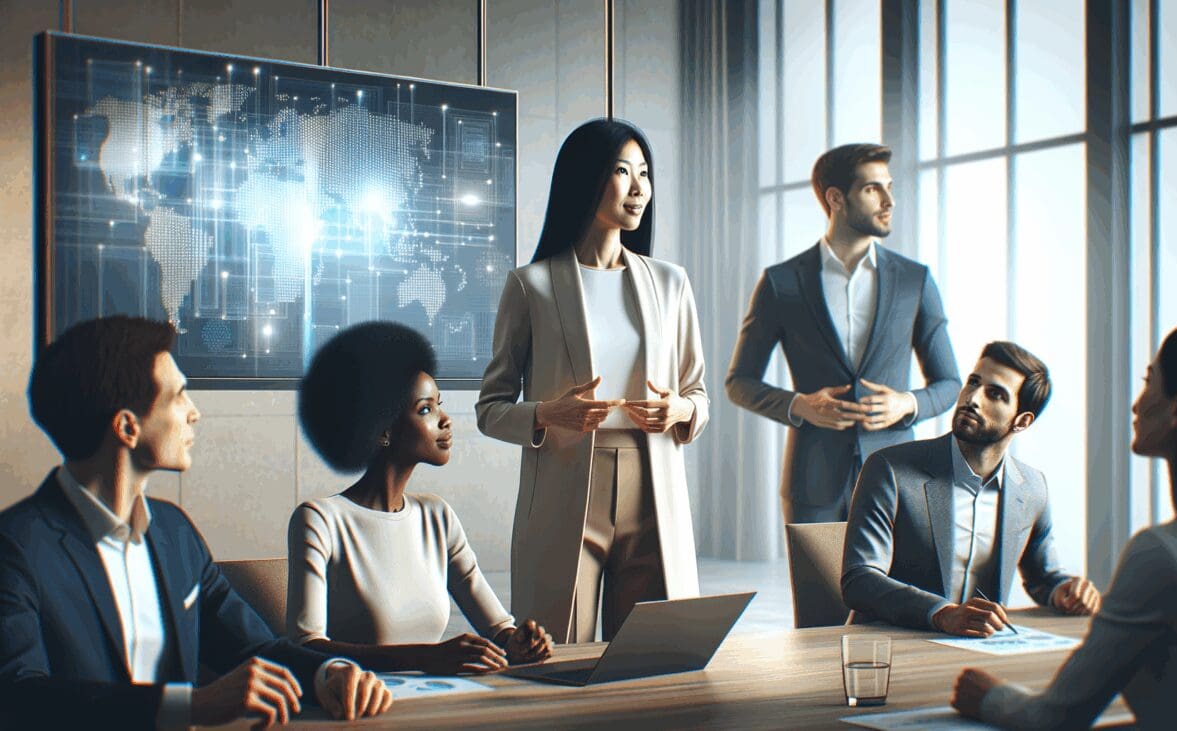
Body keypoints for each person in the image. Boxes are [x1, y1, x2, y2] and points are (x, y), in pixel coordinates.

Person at [0, 316, 391, 730]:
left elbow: (251, 649)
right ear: (127, 426)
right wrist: (188, 706)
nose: (195, 413)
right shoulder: (16, 546)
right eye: (180, 396)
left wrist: (327, 673)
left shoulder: (174, 532)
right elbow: (19, 694)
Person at [952, 321, 1177, 730]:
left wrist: (987, 697)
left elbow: (1055, 719)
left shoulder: (1162, 555)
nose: (1136, 404)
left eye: (1149, 382)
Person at [476, 118, 709, 644]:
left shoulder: (670, 283)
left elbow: (698, 393)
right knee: (558, 652)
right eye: (622, 171)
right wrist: (544, 413)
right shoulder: (531, 285)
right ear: (586, 179)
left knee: (650, 658)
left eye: (644, 173)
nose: (638, 188)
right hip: (564, 492)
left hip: (653, 490)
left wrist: (683, 411)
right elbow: (490, 408)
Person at [287, 321, 552, 673]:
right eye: (426, 409)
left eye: (438, 405)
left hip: (436, 701)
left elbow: (497, 627)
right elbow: (306, 647)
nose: (446, 421)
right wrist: (425, 657)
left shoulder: (437, 516)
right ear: (382, 429)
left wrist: (519, 642)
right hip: (358, 708)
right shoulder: (320, 521)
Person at [725, 143, 960, 524]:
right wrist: (799, 405)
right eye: (872, 189)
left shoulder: (914, 281)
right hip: (812, 485)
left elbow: (950, 382)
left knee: (894, 587)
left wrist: (907, 404)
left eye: (889, 187)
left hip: (897, 481)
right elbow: (739, 382)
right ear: (835, 198)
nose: (889, 200)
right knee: (818, 587)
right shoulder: (781, 282)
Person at [841, 342, 1099, 634]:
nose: (973, 399)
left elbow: (1042, 577)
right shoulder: (889, 469)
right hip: (891, 646)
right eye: (974, 382)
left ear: (1022, 421)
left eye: (996, 394)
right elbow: (860, 580)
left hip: (978, 649)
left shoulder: (1032, 488)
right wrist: (941, 614)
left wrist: (1066, 591)